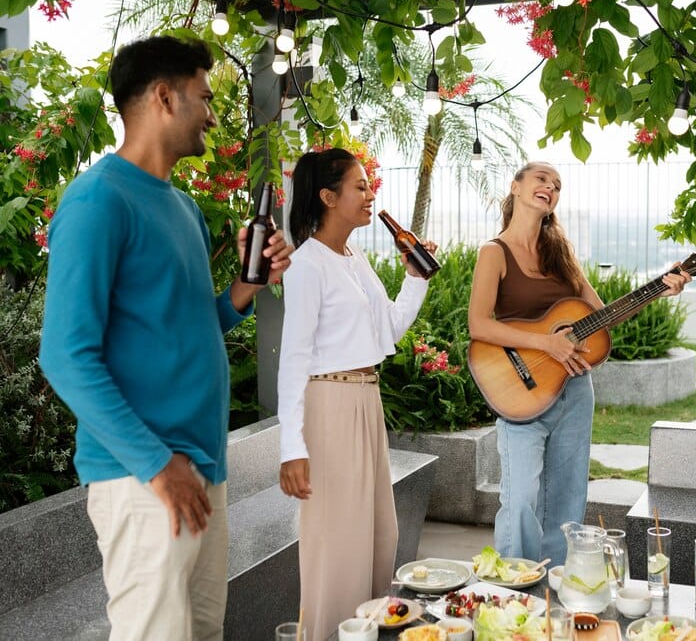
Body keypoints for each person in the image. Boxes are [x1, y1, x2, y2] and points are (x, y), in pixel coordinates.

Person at [39, 35, 292, 639]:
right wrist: (158, 465)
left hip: (200, 467)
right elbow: (66, 356)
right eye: (204, 98)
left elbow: (190, 323)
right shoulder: (97, 201)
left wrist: (245, 289)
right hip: (142, 475)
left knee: (202, 631)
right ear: (162, 97)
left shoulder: (183, 207)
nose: (212, 114)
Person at [467, 161, 690, 564]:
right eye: (541, 179)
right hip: (520, 392)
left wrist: (660, 287)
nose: (550, 188)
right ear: (515, 187)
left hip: (573, 392)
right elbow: (479, 324)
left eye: (557, 186)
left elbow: (604, 315)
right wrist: (544, 344)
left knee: (567, 500)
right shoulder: (493, 252)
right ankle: (513, 592)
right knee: (519, 499)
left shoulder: (561, 257)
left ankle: (551, 592)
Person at [277, 148, 436, 639]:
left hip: (366, 401)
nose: (371, 195)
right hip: (329, 405)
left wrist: (415, 280)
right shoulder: (308, 264)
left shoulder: (354, 257)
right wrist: (292, 447)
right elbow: (294, 359)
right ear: (328, 197)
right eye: (360, 186)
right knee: (339, 547)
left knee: (378, 537)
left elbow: (386, 331)